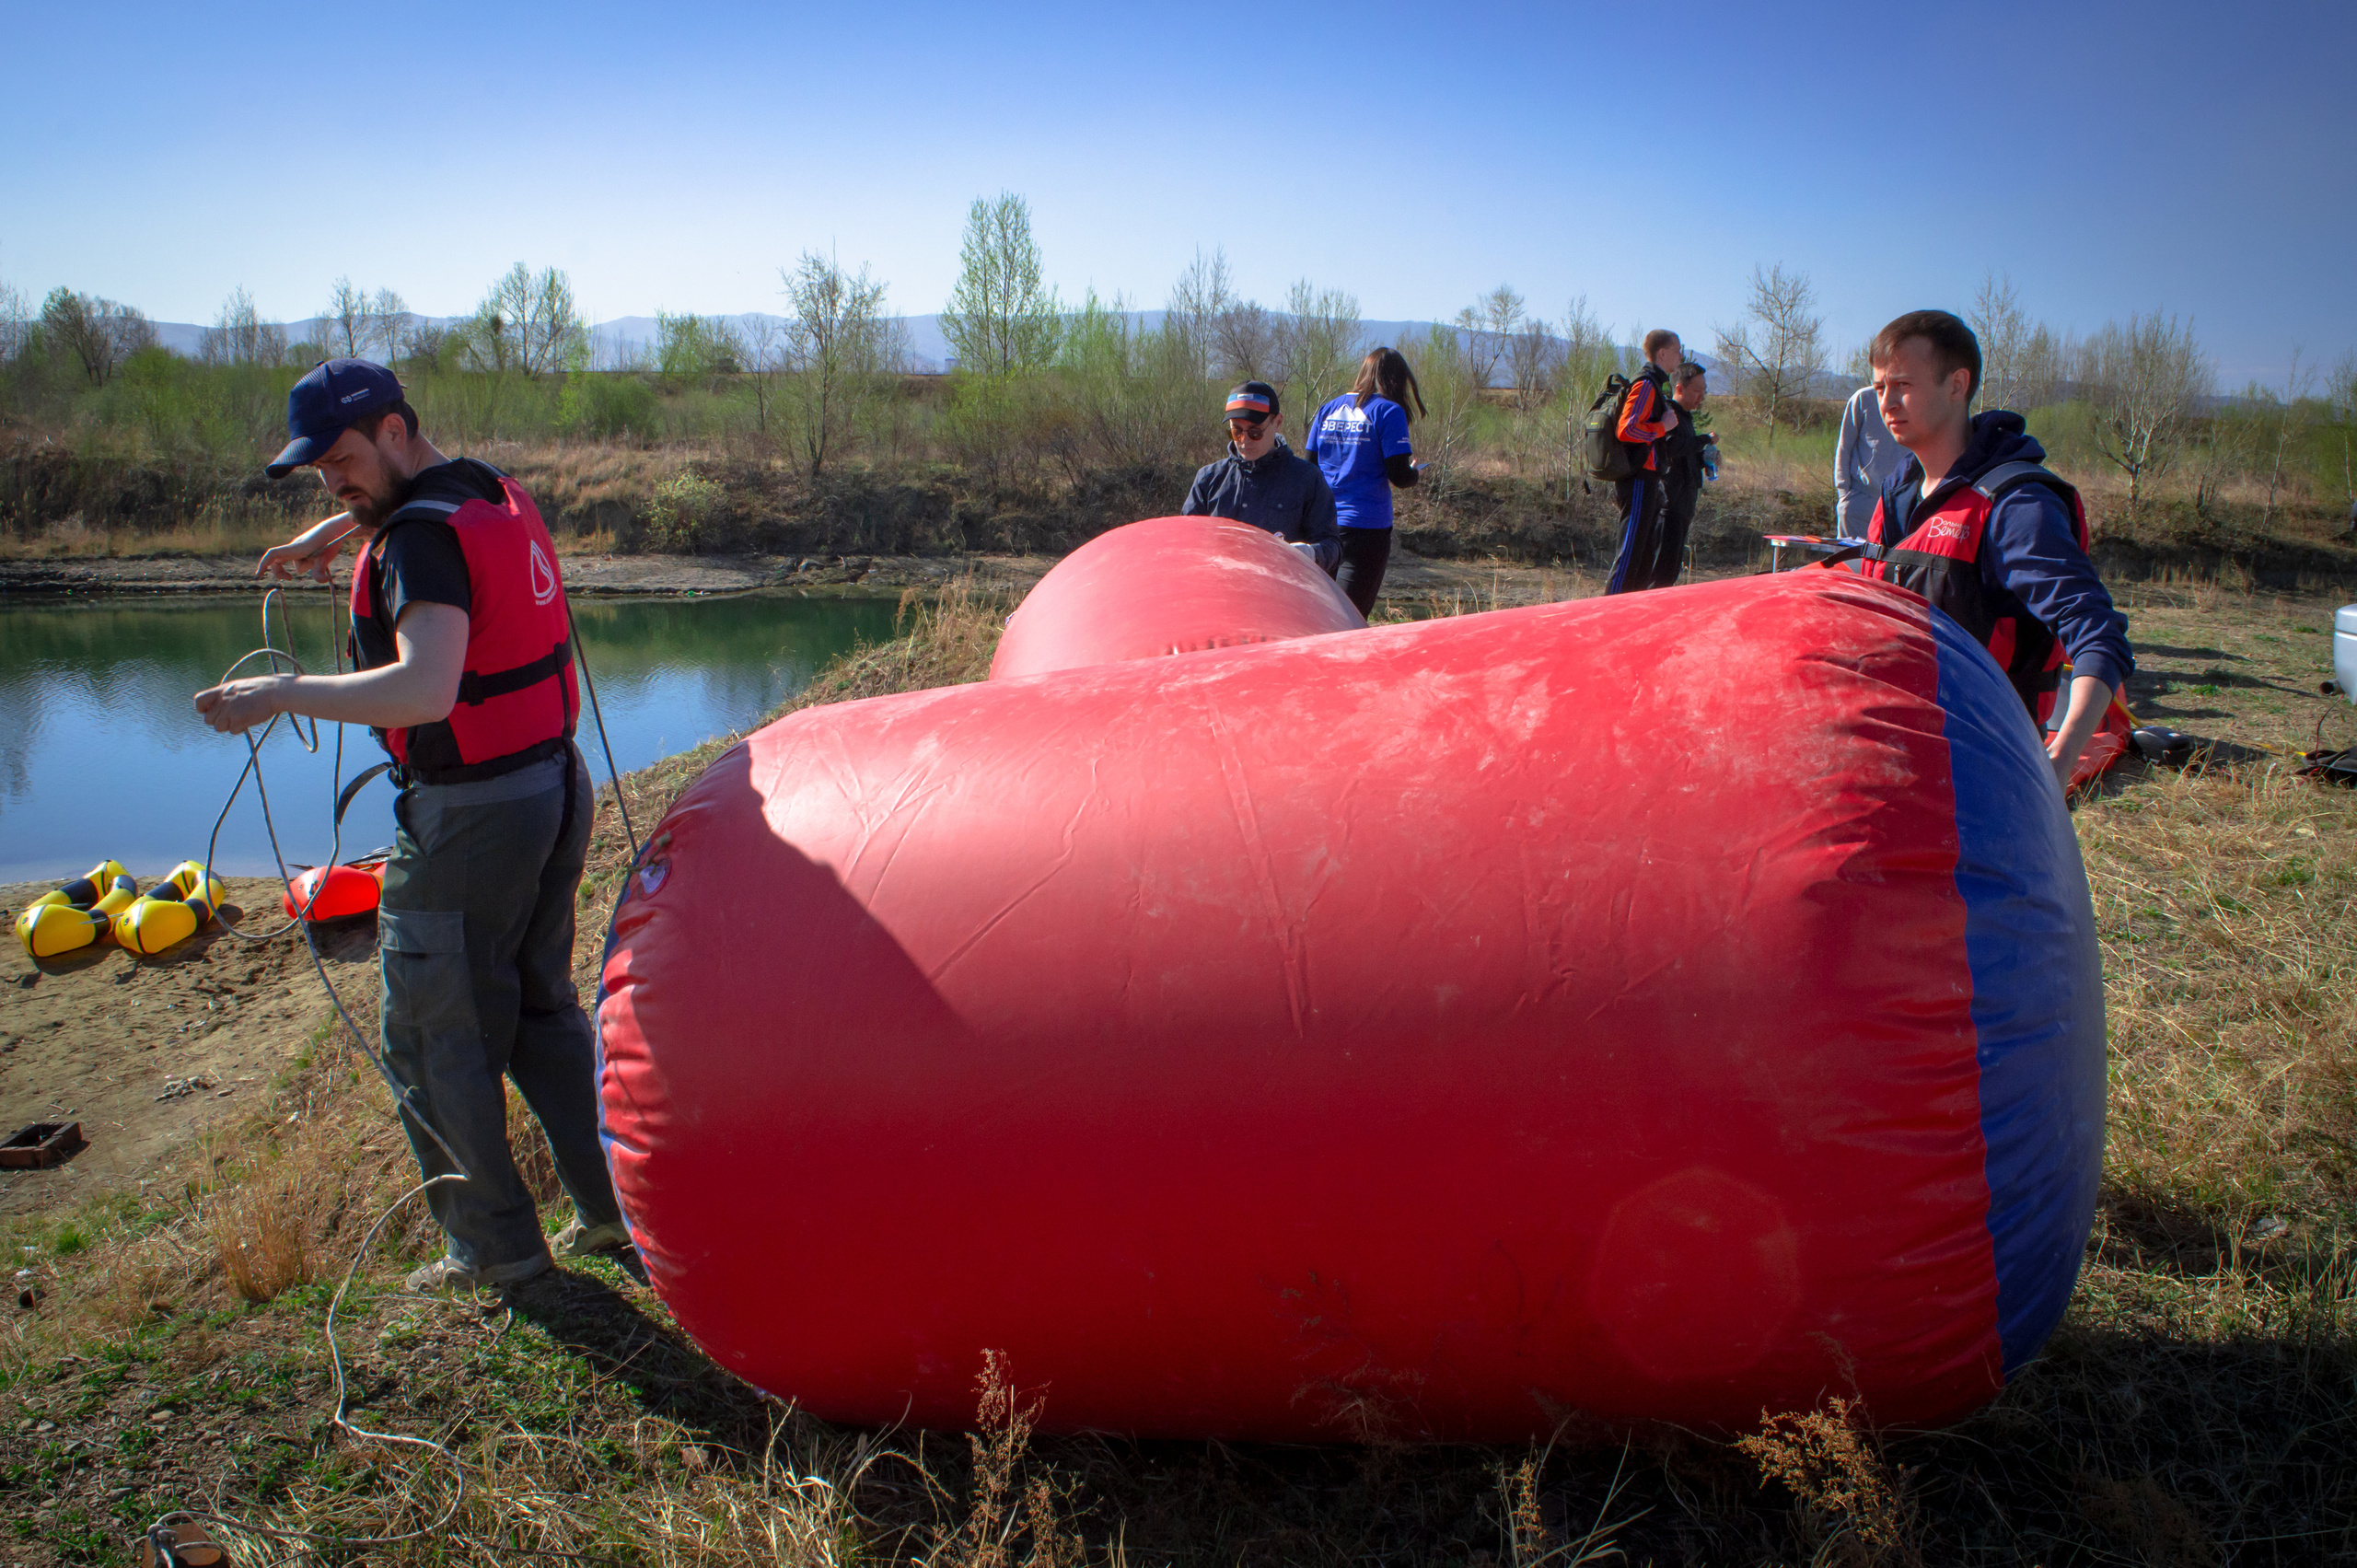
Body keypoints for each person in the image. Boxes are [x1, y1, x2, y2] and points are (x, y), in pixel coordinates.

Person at [193, 358, 627, 1292]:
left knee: (434, 1035)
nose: (333, 481)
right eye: (318, 473)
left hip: (473, 817)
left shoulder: (418, 546)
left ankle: (494, 1250)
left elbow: (427, 687)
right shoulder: (484, 488)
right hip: (552, 785)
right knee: (539, 1014)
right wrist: (325, 535)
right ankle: (614, 1209)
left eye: (341, 460)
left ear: (395, 428)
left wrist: (280, 692)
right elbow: (414, 512)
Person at [1854, 311, 2133, 790]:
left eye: (1902, 384)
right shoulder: (1898, 491)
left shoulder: (2016, 506)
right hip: (1893, 753)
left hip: (1981, 771)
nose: (1887, 403)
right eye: (1879, 387)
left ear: (1957, 385)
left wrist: (2061, 760)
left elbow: (2098, 636)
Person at [1306, 347, 1425, 616]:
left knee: (1321, 617)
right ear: (1396, 380)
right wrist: (1415, 473)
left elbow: (1309, 468)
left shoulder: (1327, 409)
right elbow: (1399, 475)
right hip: (1367, 529)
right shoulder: (1388, 411)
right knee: (1351, 619)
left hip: (1323, 526)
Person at [1179, 382, 1341, 573]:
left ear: (1278, 422)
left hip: (1280, 591)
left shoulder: (1307, 479)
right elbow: (1184, 539)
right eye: (1236, 432)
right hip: (1219, 588)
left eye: (1255, 432)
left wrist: (1311, 554)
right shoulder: (1208, 478)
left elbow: (1333, 547)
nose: (1244, 440)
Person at [1605, 329, 1684, 595]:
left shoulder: (1655, 385)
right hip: (1637, 479)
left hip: (1648, 479)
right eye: (1677, 350)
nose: (1680, 356)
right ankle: (1608, 613)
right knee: (1629, 554)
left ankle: (1629, 615)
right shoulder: (1646, 384)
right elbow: (1626, 429)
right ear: (1662, 353)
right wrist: (1662, 427)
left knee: (1642, 556)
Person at [1651, 362, 1717, 591]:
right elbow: (1671, 448)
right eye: (1698, 391)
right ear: (1679, 388)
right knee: (1659, 574)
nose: (1702, 397)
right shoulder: (1668, 413)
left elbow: (1684, 458)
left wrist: (1705, 460)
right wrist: (1705, 440)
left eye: (1704, 391)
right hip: (1668, 508)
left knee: (1670, 574)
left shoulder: (1686, 418)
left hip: (1684, 506)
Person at [1834, 382, 1905, 538]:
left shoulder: (1916, 400)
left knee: (1892, 562)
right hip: (1861, 501)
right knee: (1850, 561)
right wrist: (1844, 495)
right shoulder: (1862, 398)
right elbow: (1844, 449)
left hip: (1901, 505)